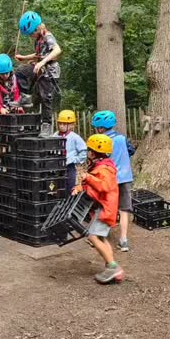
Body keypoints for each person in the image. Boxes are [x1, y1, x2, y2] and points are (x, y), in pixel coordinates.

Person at [74, 133, 123, 285]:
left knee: (92, 236)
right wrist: (81, 186)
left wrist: (87, 178)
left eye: (89, 150)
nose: (87, 153)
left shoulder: (105, 169)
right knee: (101, 238)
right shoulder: (101, 166)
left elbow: (104, 186)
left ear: (94, 152)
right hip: (103, 208)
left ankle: (113, 267)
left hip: (106, 210)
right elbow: (95, 187)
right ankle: (112, 265)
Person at [91, 110, 133, 253]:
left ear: (101, 128)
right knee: (124, 209)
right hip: (126, 177)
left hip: (110, 179)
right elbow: (131, 151)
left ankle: (99, 236)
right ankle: (124, 240)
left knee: (105, 206)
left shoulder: (102, 142)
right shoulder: (122, 138)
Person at [15, 11, 62, 137]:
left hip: (50, 72)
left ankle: (47, 126)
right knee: (20, 72)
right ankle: (26, 97)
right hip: (40, 68)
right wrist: (24, 58)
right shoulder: (38, 39)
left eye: (32, 33)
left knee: (45, 97)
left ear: (38, 28)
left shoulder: (48, 36)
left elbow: (57, 50)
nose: (31, 36)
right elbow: (38, 55)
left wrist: (42, 63)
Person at [55, 109, 87, 196]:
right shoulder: (55, 135)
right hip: (56, 166)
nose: (61, 126)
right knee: (55, 188)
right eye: (60, 123)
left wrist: (73, 159)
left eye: (64, 124)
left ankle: (68, 203)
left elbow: (83, 152)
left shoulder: (75, 137)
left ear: (71, 125)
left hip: (69, 167)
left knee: (69, 187)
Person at [0, 54, 23, 128]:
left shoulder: (16, 80)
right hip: (1, 118)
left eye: (7, 73)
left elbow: (20, 95)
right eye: (2, 74)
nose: (5, 75)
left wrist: (19, 105)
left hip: (16, 115)